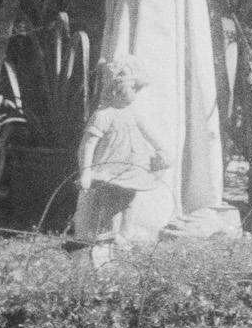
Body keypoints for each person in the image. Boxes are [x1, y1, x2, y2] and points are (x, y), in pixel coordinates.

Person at [71, 57, 175, 246]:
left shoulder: (131, 112)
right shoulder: (103, 115)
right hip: (110, 170)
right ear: (116, 88)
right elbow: (87, 144)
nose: (136, 93)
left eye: (137, 89)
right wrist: (85, 172)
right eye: (133, 88)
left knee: (128, 202)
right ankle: (106, 241)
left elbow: (149, 134)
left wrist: (162, 151)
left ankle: (124, 236)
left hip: (131, 169)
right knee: (111, 206)